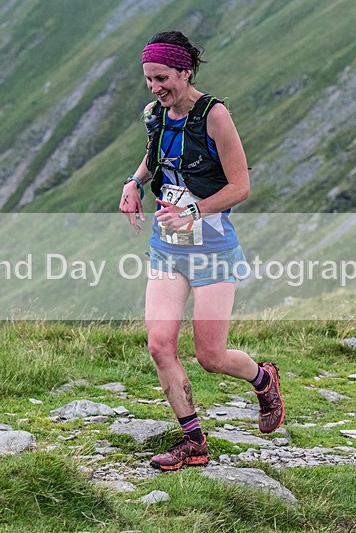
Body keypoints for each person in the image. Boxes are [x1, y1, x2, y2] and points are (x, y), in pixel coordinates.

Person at [118, 31, 285, 471]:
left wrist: (195, 209)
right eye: (148, 79)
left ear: (185, 71)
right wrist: (134, 183)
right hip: (167, 249)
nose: (154, 88)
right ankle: (193, 442)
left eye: (162, 78)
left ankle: (262, 378)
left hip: (212, 250)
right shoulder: (156, 114)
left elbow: (241, 187)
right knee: (160, 346)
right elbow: (155, 158)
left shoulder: (215, 115)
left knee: (210, 356)